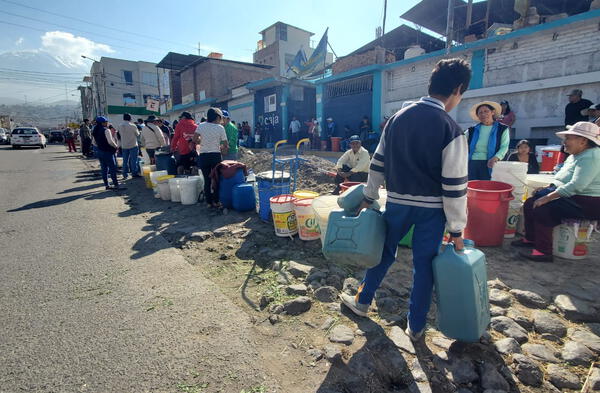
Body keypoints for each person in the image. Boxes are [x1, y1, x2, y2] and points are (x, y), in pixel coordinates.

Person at [340, 58, 472, 342]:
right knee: (424, 266)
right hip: (432, 212)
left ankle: (362, 303)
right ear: (458, 90)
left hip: (397, 204)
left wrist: (368, 196)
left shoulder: (396, 120)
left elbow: (378, 163)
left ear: (430, 84)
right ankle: (416, 326)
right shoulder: (452, 130)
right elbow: (455, 187)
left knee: (382, 254)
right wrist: (457, 229)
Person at [511, 122, 600, 262]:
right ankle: (530, 239)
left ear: (583, 141)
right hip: (571, 195)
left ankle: (543, 251)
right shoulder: (574, 155)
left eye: (569, 138)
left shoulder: (591, 156)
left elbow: (577, 185)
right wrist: (548, 187)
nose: (564, 142)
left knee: (544, 210)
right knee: (529, 203)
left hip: (587, 201)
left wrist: (548, 197)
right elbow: (562, 179)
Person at [193, 107, 228, 208]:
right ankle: (216, 201)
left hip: (203, 156)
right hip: (215, 156)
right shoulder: (220, 128)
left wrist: (202, 141)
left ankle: (209, 202)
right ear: (217, 117)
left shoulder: (201, 126)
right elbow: (225, 144)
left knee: (207, 180)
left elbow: (194, 139)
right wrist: (221, 147)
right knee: (216, 179)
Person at [466, 101, 510, 180]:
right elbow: (460, 141)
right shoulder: (471, 130)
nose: (483, 114)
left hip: (491, 163)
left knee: (488, 187)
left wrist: (495, 158)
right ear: (478, 116)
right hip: (472, 163)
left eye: (486, 111)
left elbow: (504, 146)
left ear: (492, 112)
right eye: (480, 113)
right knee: (472, 187)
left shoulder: (502, 129)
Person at [92, 116, 123, 190]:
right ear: (103, 123)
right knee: (112, 168)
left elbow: (93, 142)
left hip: (100, 151)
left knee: (104, 169)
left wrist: (100, 146)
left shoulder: (95, 130)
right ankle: (116, 184)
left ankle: (106, 185)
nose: (107, 123)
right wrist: (116, 147)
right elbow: (110, 141)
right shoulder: (106, 130)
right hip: (108, 152)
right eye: (106, 122)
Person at [118, 113, 141, 179]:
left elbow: (119, 134)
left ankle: (125, 174)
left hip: (124, 145)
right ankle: (134, 173)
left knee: (125, 160)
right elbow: (137, 134)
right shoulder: (133, 125)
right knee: (134, 160)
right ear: (130, 118)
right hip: (133, 145)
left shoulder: (120, 125)